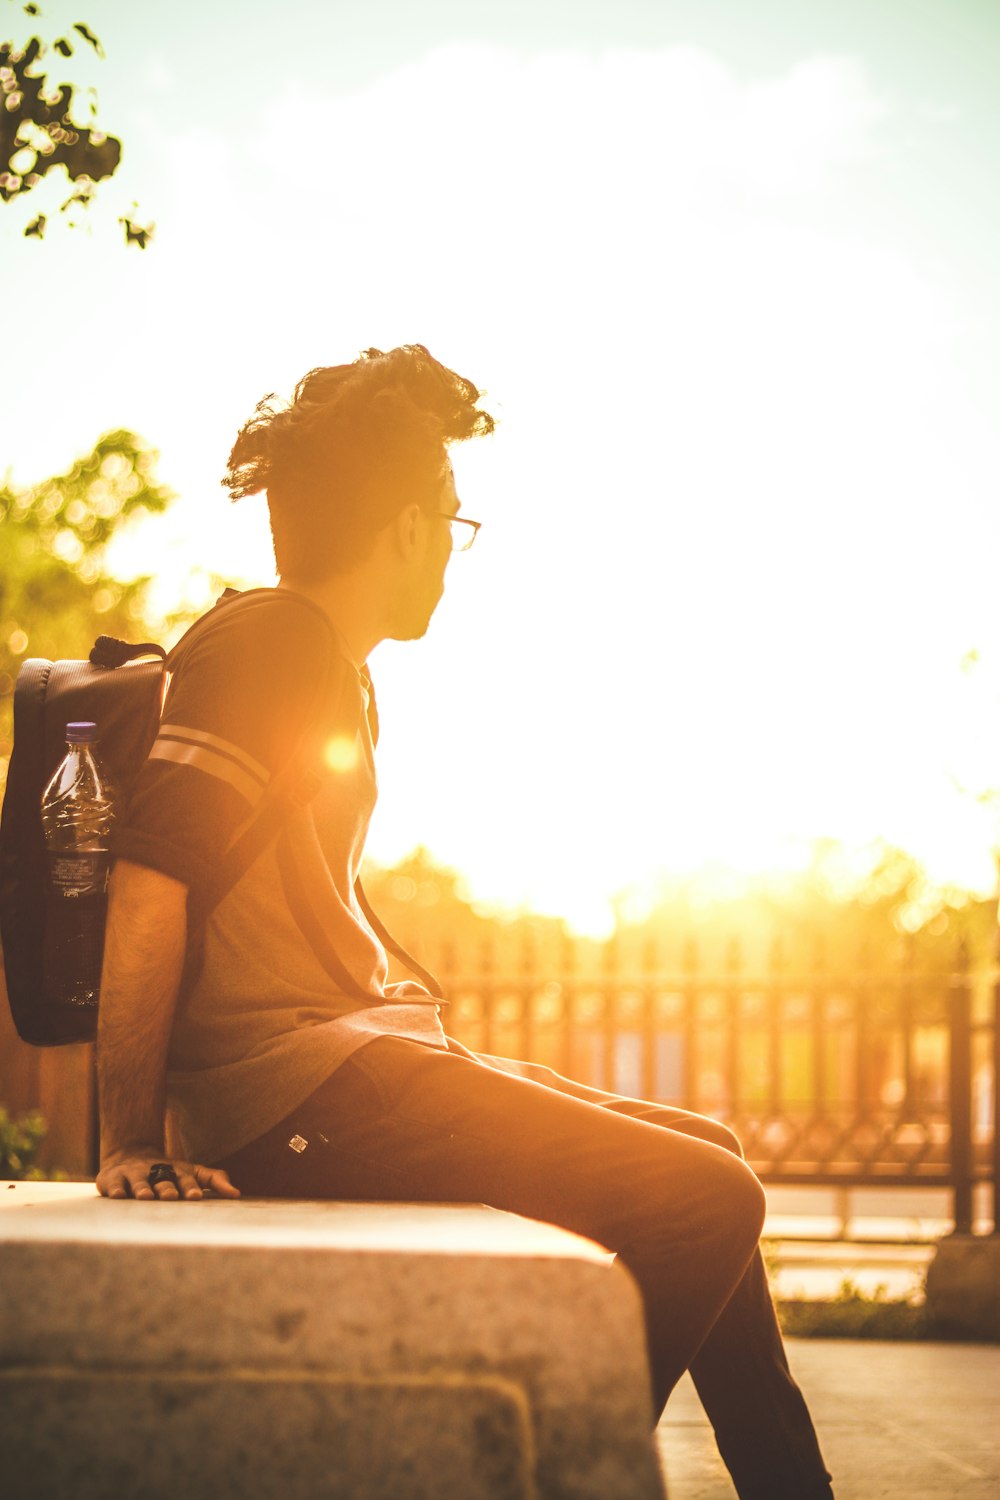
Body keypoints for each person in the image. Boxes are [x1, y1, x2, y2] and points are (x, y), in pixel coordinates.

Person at [96, 343, 833, 1500]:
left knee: (715, 1162)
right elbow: (150, 875)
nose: (454, 545)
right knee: (711, 1201)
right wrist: (129, 1138)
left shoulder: (321, 659)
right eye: (452, 517)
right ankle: (533, 1477)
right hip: (298, 1097)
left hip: (348, 1072)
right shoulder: (273, 644)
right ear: (402, 526)